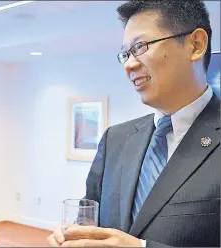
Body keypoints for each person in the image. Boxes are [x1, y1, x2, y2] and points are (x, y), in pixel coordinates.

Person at [47, 0, 219, 247]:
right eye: (125, 53)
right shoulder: (116, 139)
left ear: (195, 45)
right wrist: (74, 235)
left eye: (141, 47)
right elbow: (90, 220)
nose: (129, 64)